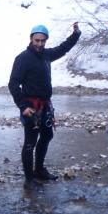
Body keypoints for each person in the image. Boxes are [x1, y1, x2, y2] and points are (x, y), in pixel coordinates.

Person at [8, 22, 81, 184]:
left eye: (43, 41)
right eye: (37, 40)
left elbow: (63, 48)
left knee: (47, 135)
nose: (40, 44)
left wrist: (75, 34)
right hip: (30, 107)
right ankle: (29, 179)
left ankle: (39, 169)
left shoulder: (46, 54)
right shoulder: (22, 58)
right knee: (30, 142)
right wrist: (23, 106)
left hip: (45, 105)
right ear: (31, 39)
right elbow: (13, 84)